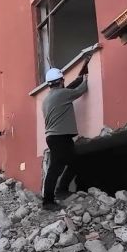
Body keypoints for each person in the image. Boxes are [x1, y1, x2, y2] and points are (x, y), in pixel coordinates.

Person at [42, 59, 90, 211]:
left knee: (73, 162)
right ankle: (48, 201)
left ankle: (61, 190)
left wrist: (76, 79)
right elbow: (80, 90)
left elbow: (67, 90)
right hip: (59, 137)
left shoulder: (49, 97)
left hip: (57, 137)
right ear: (61, 81)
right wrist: (86, 77)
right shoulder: (62, 95)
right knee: (55, 168)